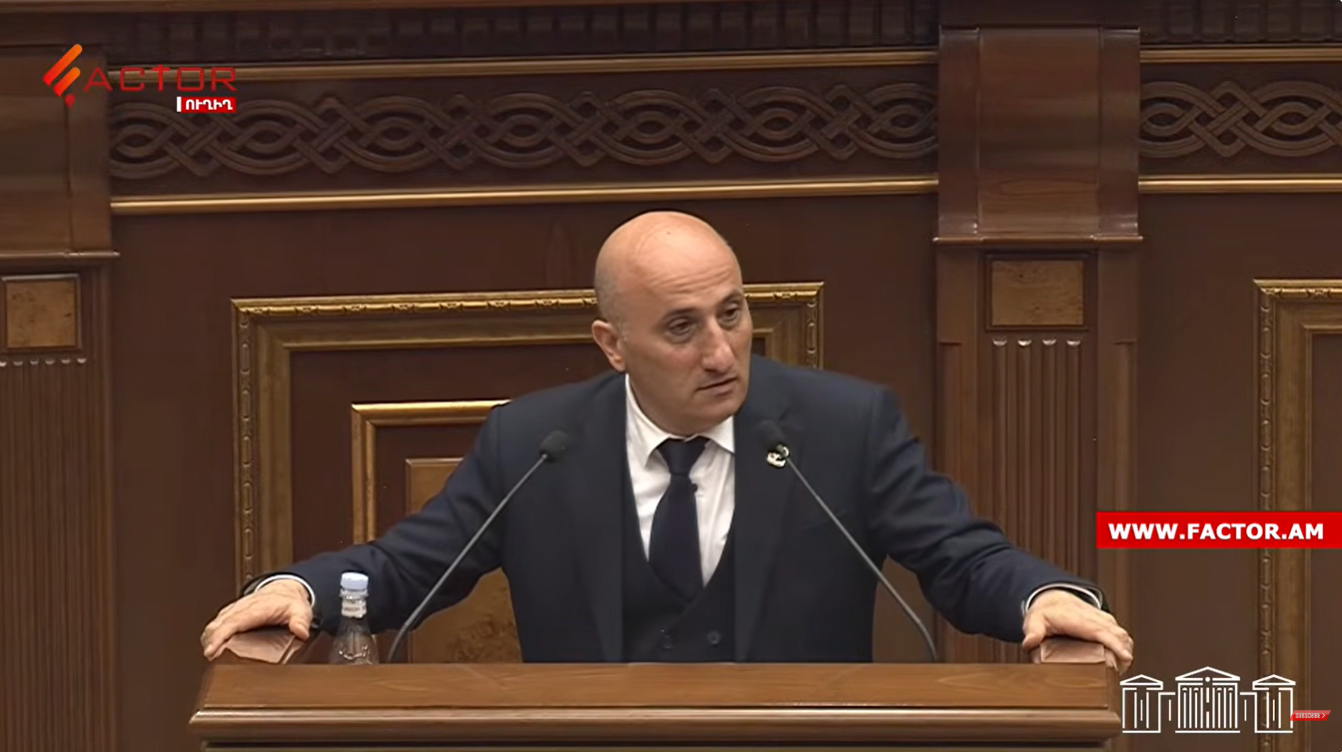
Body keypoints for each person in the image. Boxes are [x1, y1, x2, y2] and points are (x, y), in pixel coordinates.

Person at [201, 210, 1134, 669]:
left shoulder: (846, 427)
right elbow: (408, 567)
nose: (723, 351)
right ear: (613, 345)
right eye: (682, 328)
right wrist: (298, 591)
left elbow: (961, 559)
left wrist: (1043, 595)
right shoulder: (536, 443)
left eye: (733, 312)